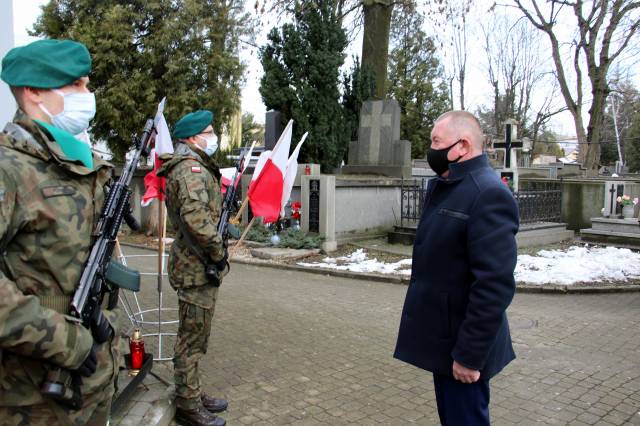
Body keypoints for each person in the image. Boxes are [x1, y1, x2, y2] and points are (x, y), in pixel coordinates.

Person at [0, 39, 122, 425]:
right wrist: (66, 341)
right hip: (34, 398)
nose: (88, 95)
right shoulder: (10, 168)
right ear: (33, 91)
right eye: (76, 85)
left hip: (93, 382)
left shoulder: (78, 163)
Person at [394, 111, 519, 425]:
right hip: (444, 341)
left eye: (437, 141)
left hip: (463, 350)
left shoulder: (487, 194)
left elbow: (494, 286)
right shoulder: (448, 184)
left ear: (462, 146)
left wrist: (468, 355)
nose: (431, 148)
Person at [157, 110, 229, 426]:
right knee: (191, 338)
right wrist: (218, 251)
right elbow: (195, 218)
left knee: (197, 335)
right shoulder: (190, 170)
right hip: (195, 266)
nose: (213, 137)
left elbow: (203, 215)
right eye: (209, 132)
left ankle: (193, 392)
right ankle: (187, 405)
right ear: (192, 137)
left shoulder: (192, 168)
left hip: (196, 264)